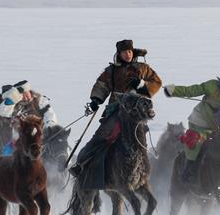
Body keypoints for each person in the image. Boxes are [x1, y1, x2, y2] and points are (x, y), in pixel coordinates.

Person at [69, 39, 162, 186]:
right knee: (101, 136)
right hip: (116, 110)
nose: (128, 54)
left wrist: (142, 85)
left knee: (141, 139)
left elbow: (157, 82)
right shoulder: (111, 71)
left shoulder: (143, 68)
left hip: (137, 112)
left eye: (130, 51)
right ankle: (82, 163)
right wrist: (96, 100)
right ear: (119, 54)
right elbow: (102, 85)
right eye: (124, 52)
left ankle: (144, 170)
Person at [164, 63, 220, 183]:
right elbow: (191, 90)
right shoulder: (212, 85)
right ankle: (188, 170)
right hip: (200, 123)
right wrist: (173, 90)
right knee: (195, 142)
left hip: (218, 126)